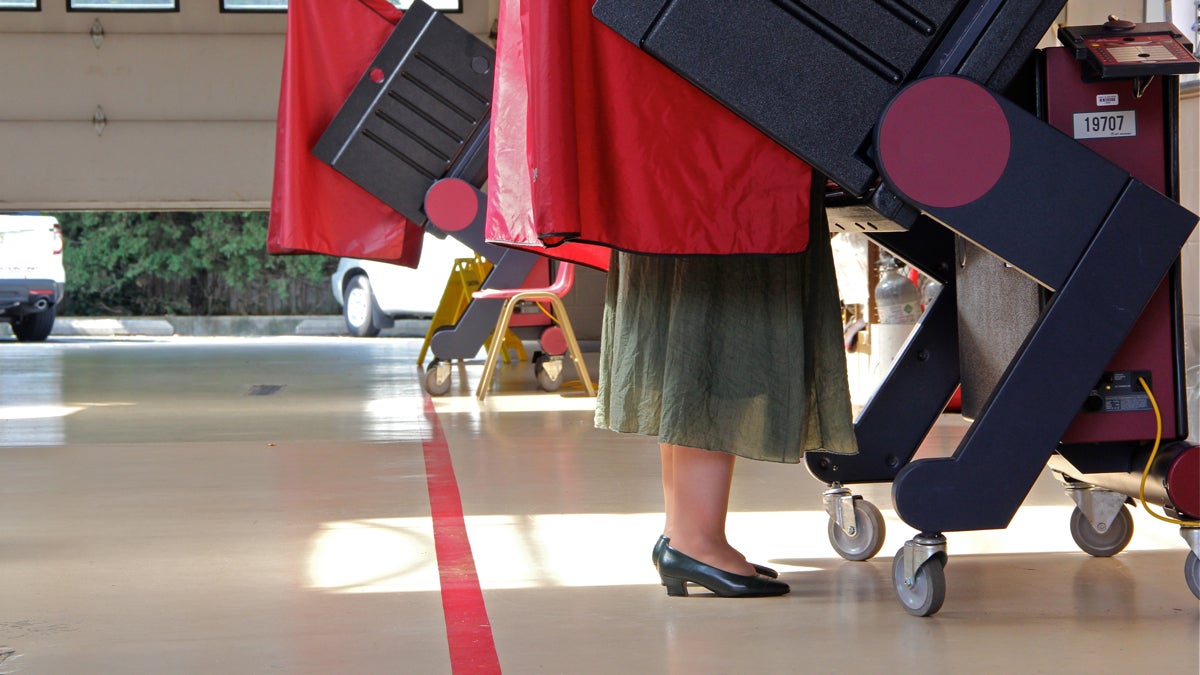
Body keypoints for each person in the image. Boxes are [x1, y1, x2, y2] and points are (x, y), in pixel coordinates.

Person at [594, 177, 858, 598]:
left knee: (686, 304)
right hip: (722, 161)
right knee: (718, 314)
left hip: (666, 164)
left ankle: (682, 529)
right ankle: (696, 542)